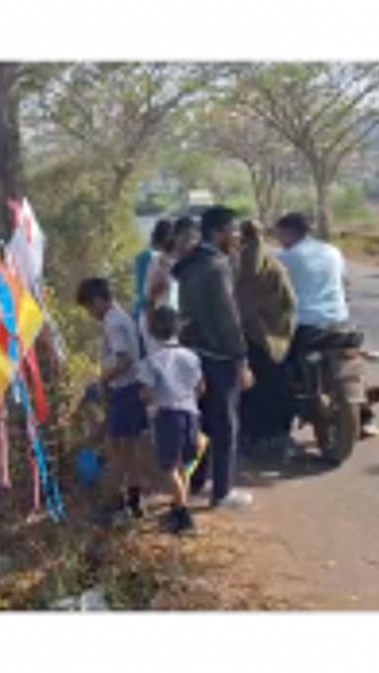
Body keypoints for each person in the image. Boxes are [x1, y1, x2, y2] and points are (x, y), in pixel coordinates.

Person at [171, 206, 254, 510]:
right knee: (226, 426)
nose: (237, 237)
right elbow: (227, 318)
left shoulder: (190, 264)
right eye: (233, 231)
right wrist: (241, 359)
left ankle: (196, 481)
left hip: (194, 353)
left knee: (201, 422)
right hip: (220, 356)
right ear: (218, 233)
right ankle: (222, 492)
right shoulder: (217, 266)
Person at [273, 212, 379, 438]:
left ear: (288, 232)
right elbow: (344, 282)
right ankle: (366, 415)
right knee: (352, 359)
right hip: (340, 323)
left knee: (278, 370)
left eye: (279, 234)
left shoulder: (285, 258)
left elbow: (273, 290)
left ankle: (279, 431)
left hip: (305, 326)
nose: (278, 239)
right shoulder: (332, 251)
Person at [75, 277, 149, 522]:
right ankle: (134, 501)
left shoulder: (113, 322)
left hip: (125, 390)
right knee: (130, 448)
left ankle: (116, 504)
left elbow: (123, 359)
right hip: (132, 389)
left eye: (89, 308)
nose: (91, 314)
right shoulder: (122, 317)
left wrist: (102, 380)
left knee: (117, 448)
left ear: (98, 301)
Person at [234, 220, 298, 457]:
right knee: (277, 390)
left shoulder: (231, 265)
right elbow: (289, 304)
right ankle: (277, 440)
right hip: (271, 340)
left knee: (247, 393)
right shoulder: (274, 266)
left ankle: (249, 440)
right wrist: (281, 332)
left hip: (241, 339)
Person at [138, 305, 203, 535]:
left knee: (168, 467)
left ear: (152, 331)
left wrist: (144, 398)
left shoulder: (152, 361)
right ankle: (177, 508)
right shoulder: (191, 357)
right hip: (191, 413)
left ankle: (184, 515)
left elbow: (148, 393)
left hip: (168, 415)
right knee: (183, 465)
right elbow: (201, 387)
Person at [138, 219, 180, 355]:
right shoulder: (157, 261)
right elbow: (151, 295)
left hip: (163, 320)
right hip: (159, 322)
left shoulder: (156, 260)